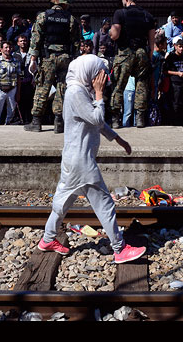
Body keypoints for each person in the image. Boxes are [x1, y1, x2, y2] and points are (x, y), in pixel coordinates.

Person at [37, 54, 146, 264]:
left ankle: (47, 239)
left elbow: (93, 121)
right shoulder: (77, 92)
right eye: (98, 72)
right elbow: (97, 117)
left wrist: (117, 139)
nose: (101, 77)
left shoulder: (78, 90)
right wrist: (99, 93)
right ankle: (119, 248)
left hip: (73, 159)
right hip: (82, 162)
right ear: (88, 71)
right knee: (104, 203)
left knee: (62, 201)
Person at [25, 0, 81, 134]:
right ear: (64, 3)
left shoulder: (43, 16)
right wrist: (74, 59)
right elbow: (76, 42)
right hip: (65, 58)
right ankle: (59, 123)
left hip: (48, 57)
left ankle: (36, 122)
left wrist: (33, 59)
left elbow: (35, 40)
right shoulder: (72, 19)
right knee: (62, 89)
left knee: (43, 87)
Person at [108, 0, 156, 129]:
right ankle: (140, 119)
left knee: (118, 85)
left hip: (125, 52)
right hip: (142, 52)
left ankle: (116, 119)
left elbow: (115, 35)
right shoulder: (147, 15)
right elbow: (151, 39)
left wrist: (111, 32)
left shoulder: (120, 13)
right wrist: (150, 54)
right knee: (141, 86)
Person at [0, 39, 22, 125]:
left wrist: (18, 92)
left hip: (12, 89)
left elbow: (19, 78)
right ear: (1, 49)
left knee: (11, 111)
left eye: (10, 47)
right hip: (0, 89)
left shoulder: (16, 61)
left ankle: (8, 128)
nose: (8, 49)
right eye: (6, 47)